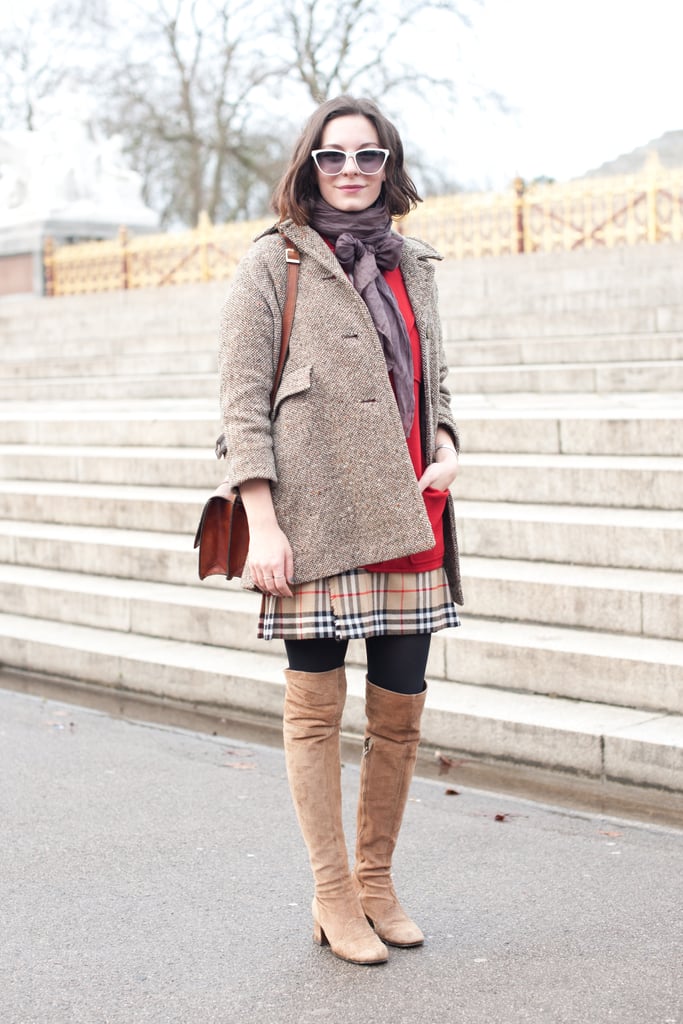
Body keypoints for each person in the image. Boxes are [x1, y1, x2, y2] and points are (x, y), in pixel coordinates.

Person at [217, 95, 463, 966]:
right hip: (315, 519)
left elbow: (436, 380)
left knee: (399, 711)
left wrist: (444, 439)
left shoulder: (415, 262)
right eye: (333, 157)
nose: (351, 171)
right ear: (308, 165)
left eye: (367, 156)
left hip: (409, 512)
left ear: (389, 165)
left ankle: (377, 881)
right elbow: (242, 405)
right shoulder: (272, 263)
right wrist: (262, 523)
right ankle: (331, 894)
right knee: (316, 710)